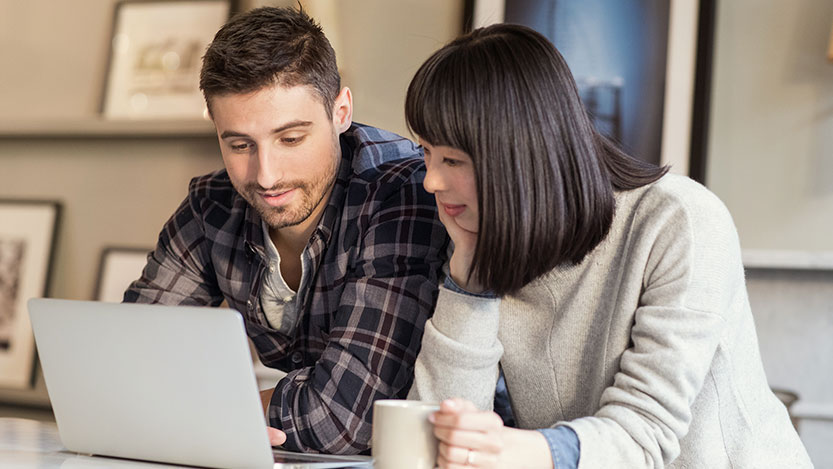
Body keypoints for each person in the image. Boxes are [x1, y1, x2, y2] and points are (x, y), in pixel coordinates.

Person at [405, 23, 812, 468]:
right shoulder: (483, 241)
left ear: (521, 155)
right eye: (425, 152)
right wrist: (468, 277)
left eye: (453, 160)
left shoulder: (681, 220)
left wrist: (517, 450)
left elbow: (647, 433)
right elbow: (437, 433)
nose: (431, 181)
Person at [124, 6, 448, 454]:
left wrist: (200, 411)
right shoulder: (212, 204)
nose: (266, 175)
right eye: (239, 145)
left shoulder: (402, 192)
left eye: (291, 139)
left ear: (341, 111)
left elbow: (341, 417)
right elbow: (126, 364)